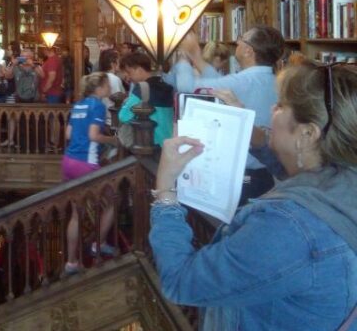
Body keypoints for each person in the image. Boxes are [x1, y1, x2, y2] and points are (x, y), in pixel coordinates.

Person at [150, 63, 357, 330]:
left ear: (307, 134)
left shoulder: (287, 228)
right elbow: (301, 167)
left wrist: (166, 189)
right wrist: (247, 126)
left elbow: (180, 281)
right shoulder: (342, 176)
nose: (272, 109)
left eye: (281, 105)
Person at [171, 26, 286, 201]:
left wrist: (183, 58)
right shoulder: (277, 81)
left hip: (239, 179)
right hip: (265, 175)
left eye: (241, 39)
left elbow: (186, 88)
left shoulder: (242, 81)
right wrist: (197, 57)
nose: (237, 42)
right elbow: (217, 82)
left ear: (248, 51)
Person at [63, 73, 119, 274]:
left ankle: (71, 262)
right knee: (112, 201)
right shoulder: (97, 105)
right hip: (85, 163)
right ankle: (99, 243)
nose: (110, 88)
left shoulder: (78, 104)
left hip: (68, 161)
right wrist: (113, 140)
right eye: (108, 85)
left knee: (76, 214)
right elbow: (93, 135)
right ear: (100, 87)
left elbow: (68, 134)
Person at [119, 52, 175, 147]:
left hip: (149, 143)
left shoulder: (142, 88)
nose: (128, 77)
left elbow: (124, 116)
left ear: (139, 69)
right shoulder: (167, 87)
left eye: (129, 72)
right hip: (167, 142)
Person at [98, 49, 125, 126]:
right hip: (111, 121)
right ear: (113, 64)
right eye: (119, 61)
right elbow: (119, 100)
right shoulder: (115, 79)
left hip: (101, 120)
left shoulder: (99, 77)